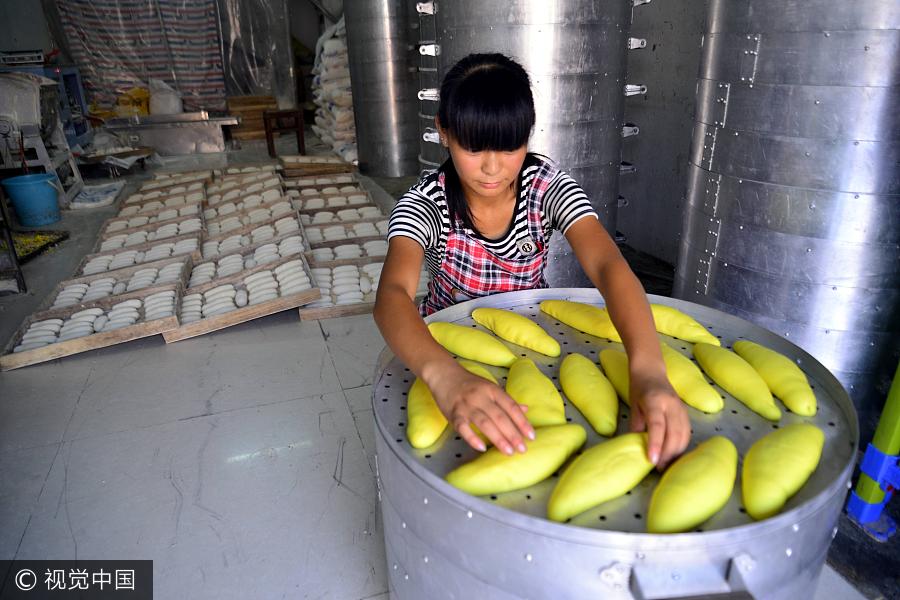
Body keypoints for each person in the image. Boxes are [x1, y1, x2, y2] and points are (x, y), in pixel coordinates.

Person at [373, 53, 689, 468]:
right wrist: (444, 377)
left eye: (509, 147)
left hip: (532, 343)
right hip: (446, 349)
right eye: (473, 147)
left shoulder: (545, 187)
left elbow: (608, 266)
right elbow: (391, 296)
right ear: (444, 133)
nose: (492, 168)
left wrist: (648, 369)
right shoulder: (425, 204)